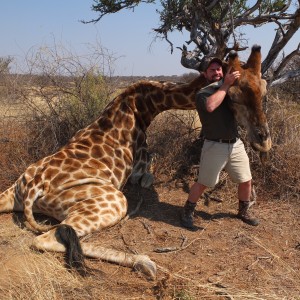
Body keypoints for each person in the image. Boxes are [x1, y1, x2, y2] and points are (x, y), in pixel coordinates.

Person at [180, 57, 259, 230]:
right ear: (205, 74)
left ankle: (243, 211)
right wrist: (225, 85)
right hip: (215, 145)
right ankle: (186, 212)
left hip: (236, 144)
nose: (216, 73)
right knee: (204, 183)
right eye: (212, 70)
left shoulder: (232, 89)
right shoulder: (203, 94)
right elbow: (210, 106)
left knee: (246, 180)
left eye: (218, 69)